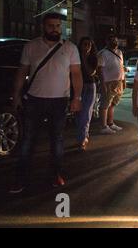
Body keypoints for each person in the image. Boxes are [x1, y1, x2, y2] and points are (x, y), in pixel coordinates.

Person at [10, 13, 83, 193]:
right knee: (27, 140)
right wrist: (16, 95)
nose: (55, 29)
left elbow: (76, 74)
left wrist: (77, 97)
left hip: (59, 101)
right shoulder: (31, 46)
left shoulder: (70, 48)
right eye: (51, 26)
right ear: (44, 26)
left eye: (58, 26)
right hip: (34, 100)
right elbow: (22, 72)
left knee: (57, 140)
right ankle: (21, 178)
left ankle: (56, 175)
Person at [98, 35, 126, 135]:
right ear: (106, 41)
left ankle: (110, 123)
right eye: (111, 40)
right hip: (108, 82)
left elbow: (121, 67)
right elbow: (100, 69)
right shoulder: (103, 53)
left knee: (113, 104)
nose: (114, 42)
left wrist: (124, 81)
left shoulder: (119, 52)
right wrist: (103, 84)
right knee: (105, 104)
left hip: (118, 82)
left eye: (115, 40)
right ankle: (103, 126)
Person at [76, 37, 98, 151]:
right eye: (84, 44)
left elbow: (91, 72)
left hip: (89, 86)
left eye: (89, 44)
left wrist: (84, 57)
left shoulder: (93, 57)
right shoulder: (75, 57)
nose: (87, 47)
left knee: (86, 113)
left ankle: (83, 138)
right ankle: (82, 136)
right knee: (78, 113)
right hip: (77, 86)